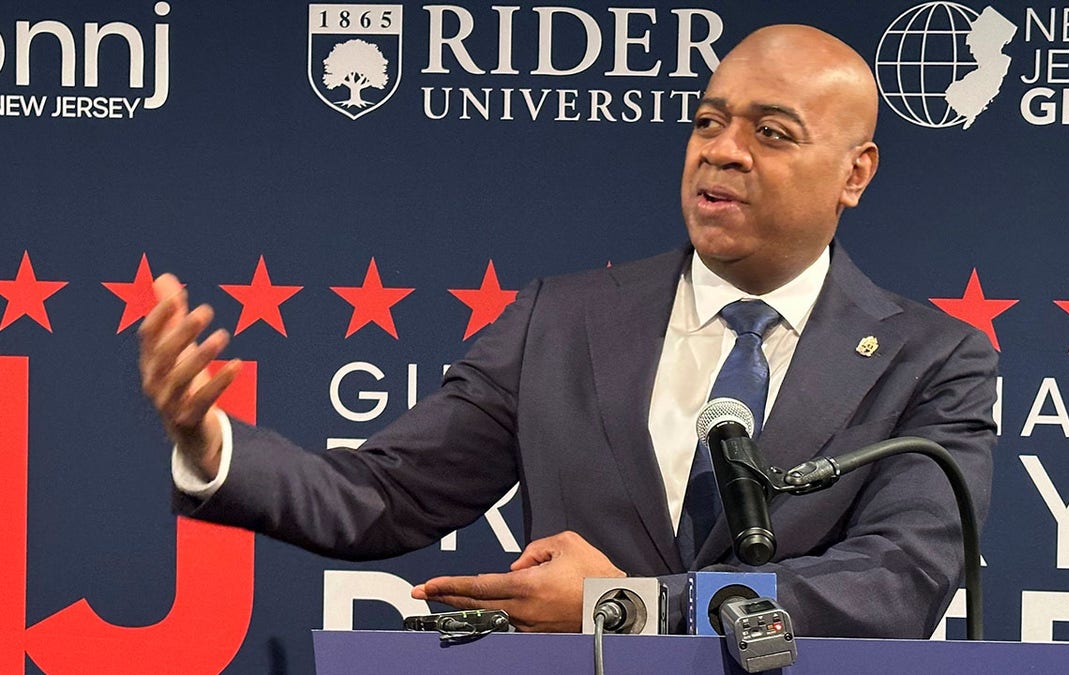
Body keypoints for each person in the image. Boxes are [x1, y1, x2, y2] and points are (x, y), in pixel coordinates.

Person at [140, 25, 996, 637]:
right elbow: (382, 496)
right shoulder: (564, 319)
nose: (722, 150)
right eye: (708, 121)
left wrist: (635, 606)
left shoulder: (933, 360)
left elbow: (896, 583)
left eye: (771, 133)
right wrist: (209, 439)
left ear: (855, 172)